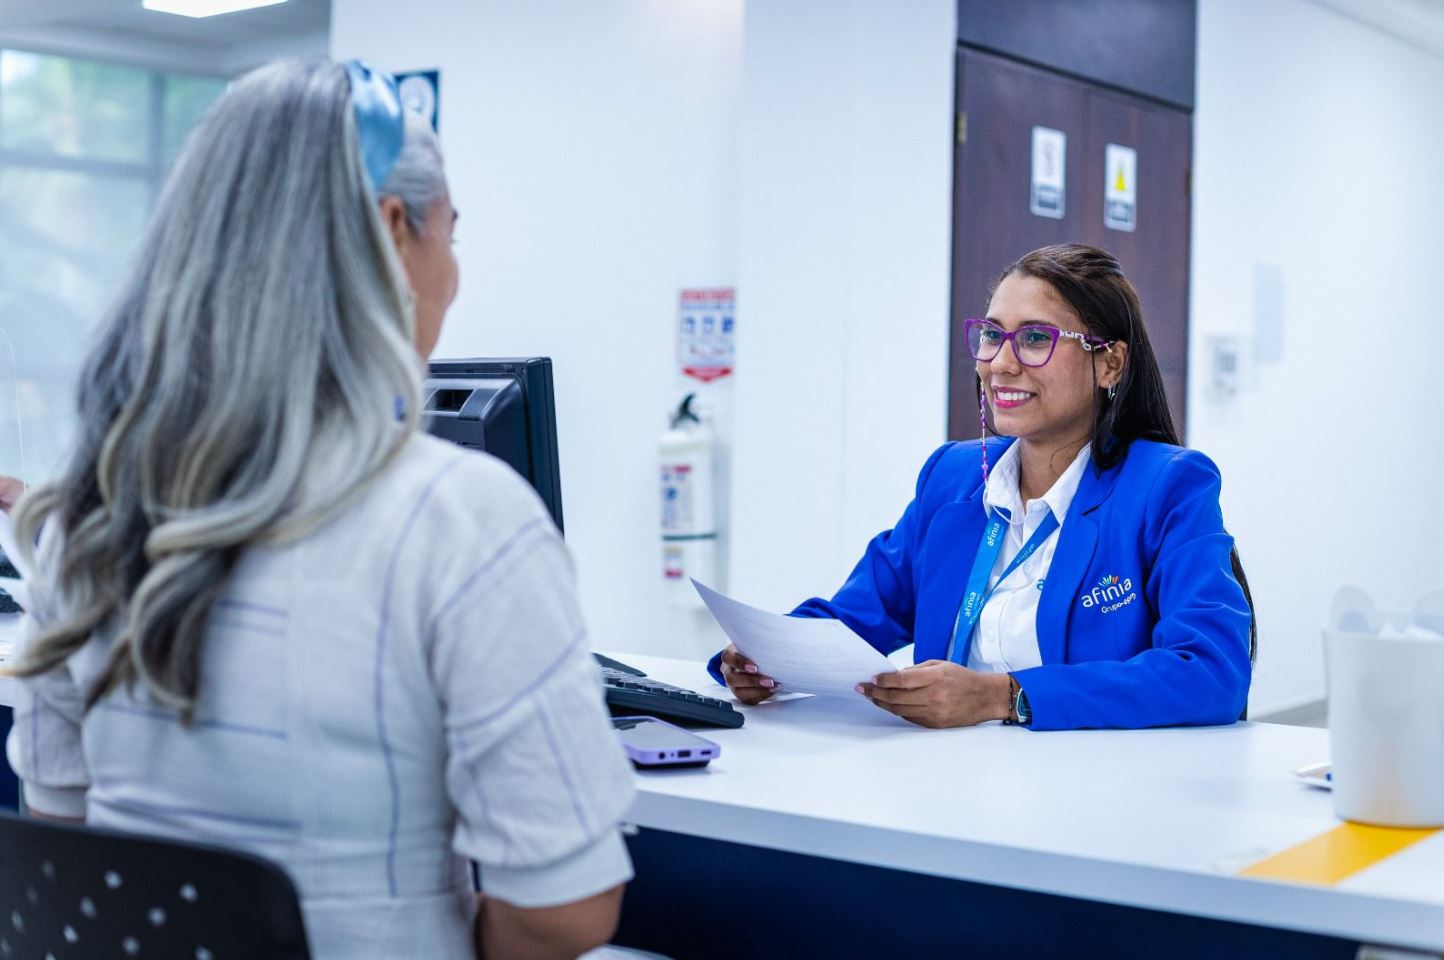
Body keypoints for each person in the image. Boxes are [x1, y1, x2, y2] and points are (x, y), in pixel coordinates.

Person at [4, 60, 634, 960]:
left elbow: (63, 830)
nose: (454, 274)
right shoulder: (461, 519)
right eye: (451, 234)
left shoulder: (88, 516)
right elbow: (561, 913)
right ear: (393, 231)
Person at [713, 244, 1254, 731]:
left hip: (1095, 786)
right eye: (992, 336)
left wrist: (1004, 697)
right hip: (948, 780)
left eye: (1036, 339)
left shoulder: (1166, 486)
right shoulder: (953, 476)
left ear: (1109, 363)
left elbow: (1210, 671)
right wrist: (766, 659)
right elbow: (855, 619)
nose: (1001, 364)